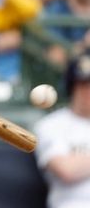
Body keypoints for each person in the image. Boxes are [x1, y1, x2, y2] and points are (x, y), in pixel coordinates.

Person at [34, 52, 90, 208]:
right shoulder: (52, 125)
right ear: (72, 87)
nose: (88, 92)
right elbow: (67, 170)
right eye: (84, 85)